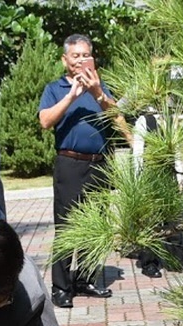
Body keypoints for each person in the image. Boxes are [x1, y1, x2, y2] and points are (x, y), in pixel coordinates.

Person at [39, 34, 120, 308]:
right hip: (69, 164)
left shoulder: (102, 86)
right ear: (65, 60)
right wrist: (72, 95)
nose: (81, 60)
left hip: (99, 163)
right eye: (76, 56)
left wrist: (97, 92)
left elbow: (118, 117)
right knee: (66, 226)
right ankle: (61, 287)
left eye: (86, 55)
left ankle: (85, 279)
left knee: (94, 225)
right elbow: (46, 121)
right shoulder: (55, 87)